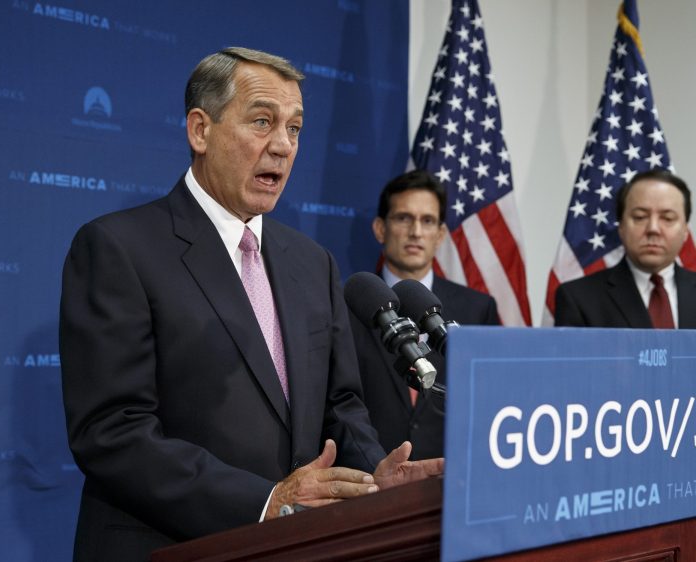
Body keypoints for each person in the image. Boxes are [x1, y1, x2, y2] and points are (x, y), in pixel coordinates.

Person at [59, 47, 443, 562]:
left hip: (303, 549)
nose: (283, 146)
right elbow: (112, 432)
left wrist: (371, 477)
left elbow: (341, 405)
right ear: (201, 130)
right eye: (262, 122)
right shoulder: (119, 248)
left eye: (295, 128)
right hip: (171, 546)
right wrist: (265, 502)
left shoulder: (313, 263)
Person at [348, 170, 499, 460]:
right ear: (380, 228)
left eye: (427, 221)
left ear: (440, 234)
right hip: (368, 481)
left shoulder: (478, 308)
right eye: (404, 218)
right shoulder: (347, 304)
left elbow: (486, 401)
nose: (416, 231)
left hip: (450, 479)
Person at [554, 168, 696, 328]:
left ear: (685, 230)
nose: (653, 228)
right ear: (621, 226)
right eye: (640, 217)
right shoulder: (579, 298)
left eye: (667, 218)